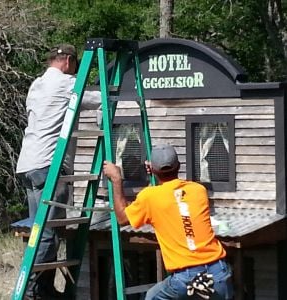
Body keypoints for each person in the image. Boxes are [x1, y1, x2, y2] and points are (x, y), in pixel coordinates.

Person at [16, 43, 101, 299]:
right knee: (48, 235)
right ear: (67, 61)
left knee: (38, 229)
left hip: (28, 164)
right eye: (74, 65)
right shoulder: (65, 83)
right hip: (49, 166)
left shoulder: (36, 84)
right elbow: (99, 98)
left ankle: (42, 290)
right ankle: (29, 289)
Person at [103, 144, 234, 300]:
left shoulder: (150, 197)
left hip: (187, 278)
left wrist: (117, 180)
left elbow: (123, 218)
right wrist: (158, 175)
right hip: (218, 271)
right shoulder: (198, 190)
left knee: (152, 297)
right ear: (178, 166)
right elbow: (173, 200)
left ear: (153, 169)